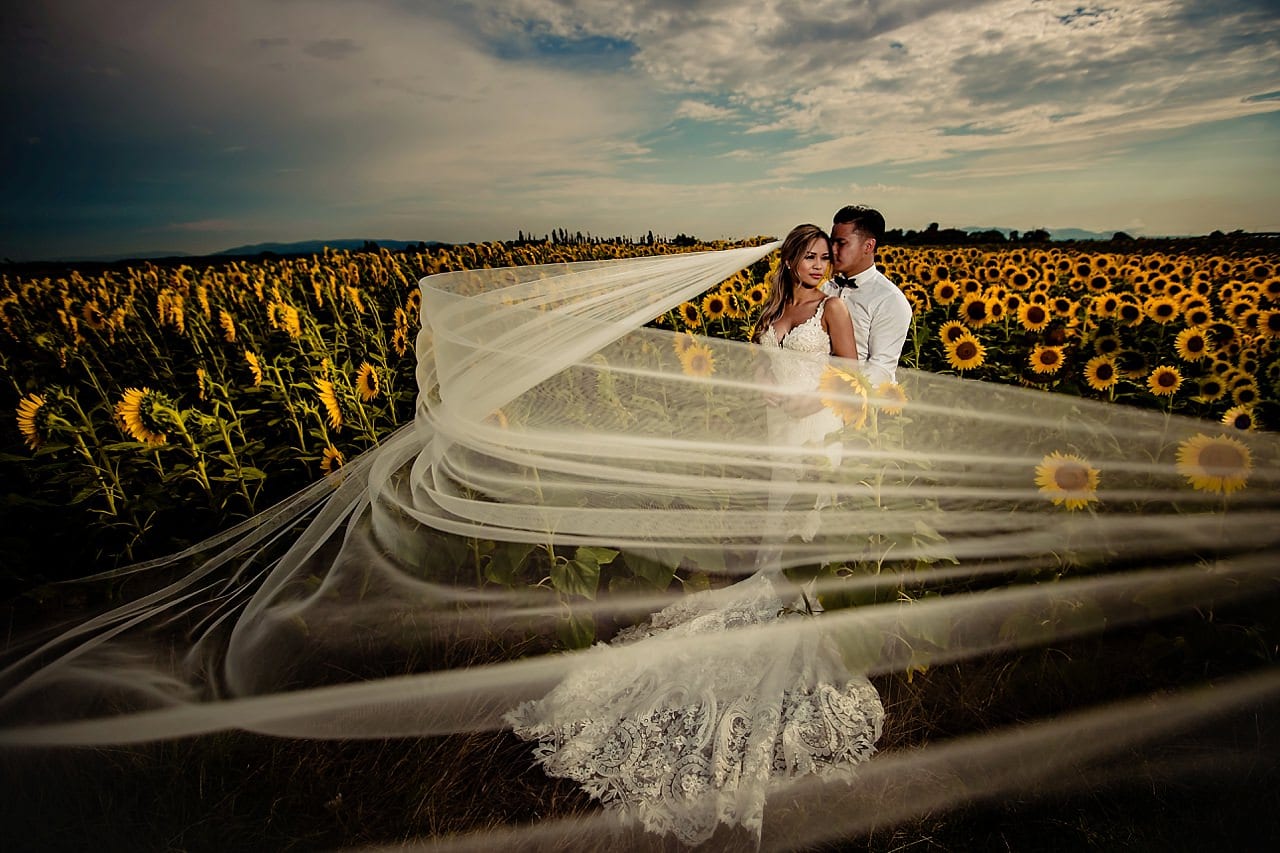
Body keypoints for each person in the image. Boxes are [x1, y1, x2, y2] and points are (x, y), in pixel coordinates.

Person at [507, 226, 884, 846]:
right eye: (810, 256)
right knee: (772, 548)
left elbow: (852, 386)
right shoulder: (772, 310)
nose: (819, 266)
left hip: (816, 442)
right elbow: (761, 371)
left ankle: (799, 651)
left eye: (825, 257)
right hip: (776, 443)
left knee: (798, 550)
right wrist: (769, 398)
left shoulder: (834, 308)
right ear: (790, 259)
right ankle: (777, 629)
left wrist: (806, 405)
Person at [823, 205, 912, 386]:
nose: (832, 250)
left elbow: (880, 369)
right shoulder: (826, 288)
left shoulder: (889, 300)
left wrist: (834, 395)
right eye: (831, 242)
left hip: (854, 402)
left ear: (868, 246)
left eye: (841, 243)